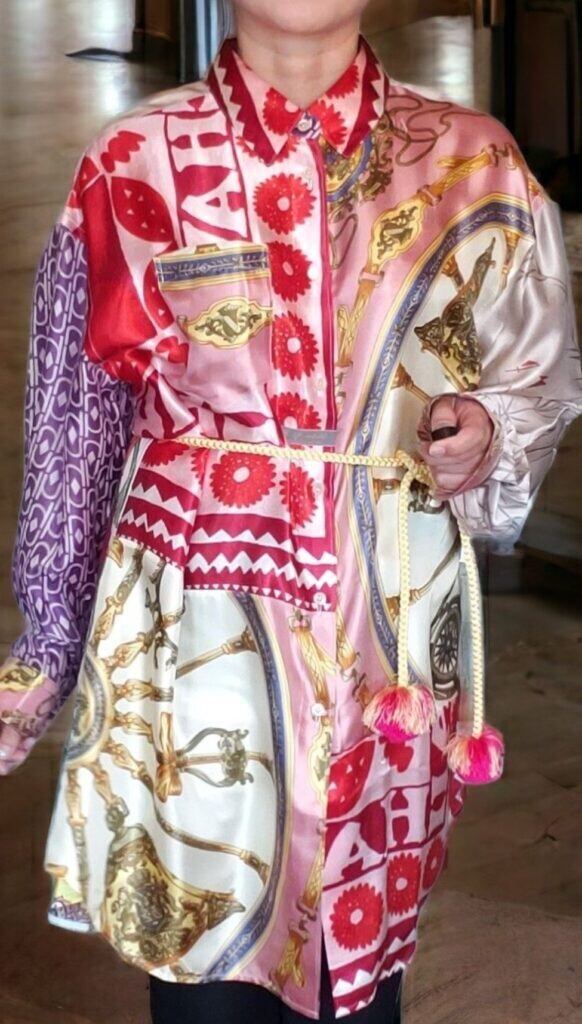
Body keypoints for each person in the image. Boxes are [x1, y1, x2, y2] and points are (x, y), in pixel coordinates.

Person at [1, 0, 582, 1021]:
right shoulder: (134, 160)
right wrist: (46, 649)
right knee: (202, 961)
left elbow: (535, 373)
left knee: (363, 968)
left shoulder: (474, 162)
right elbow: (74, 425)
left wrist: (488, 431)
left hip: (388, 636)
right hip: (194, 642)